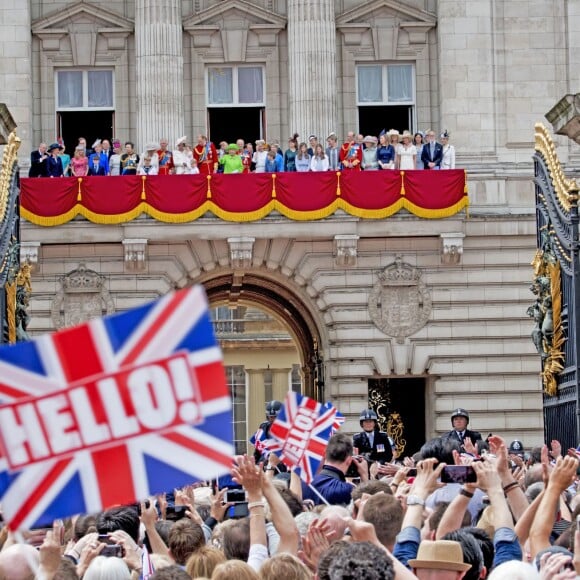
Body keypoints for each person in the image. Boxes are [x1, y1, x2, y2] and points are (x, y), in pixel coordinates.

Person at [303, 432, 368, 505]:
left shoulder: (304, 482)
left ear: (325, 455)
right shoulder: (347, 490)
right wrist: (364, 475)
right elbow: (367, 508)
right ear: (349, 460)